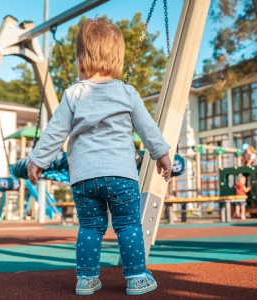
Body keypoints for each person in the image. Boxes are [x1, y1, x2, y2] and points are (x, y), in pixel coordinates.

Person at [26, 17, 171, 296]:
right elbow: (148, 129)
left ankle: (87, 279)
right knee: (128, 225)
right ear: (117, 61)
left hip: (84, 179)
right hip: (121, 176)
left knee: (90, 228)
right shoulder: (128, 93)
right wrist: (161, 154)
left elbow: (54, 133)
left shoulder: (73, 94)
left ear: (81, 61)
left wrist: (37, 160)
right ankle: (137, 277)